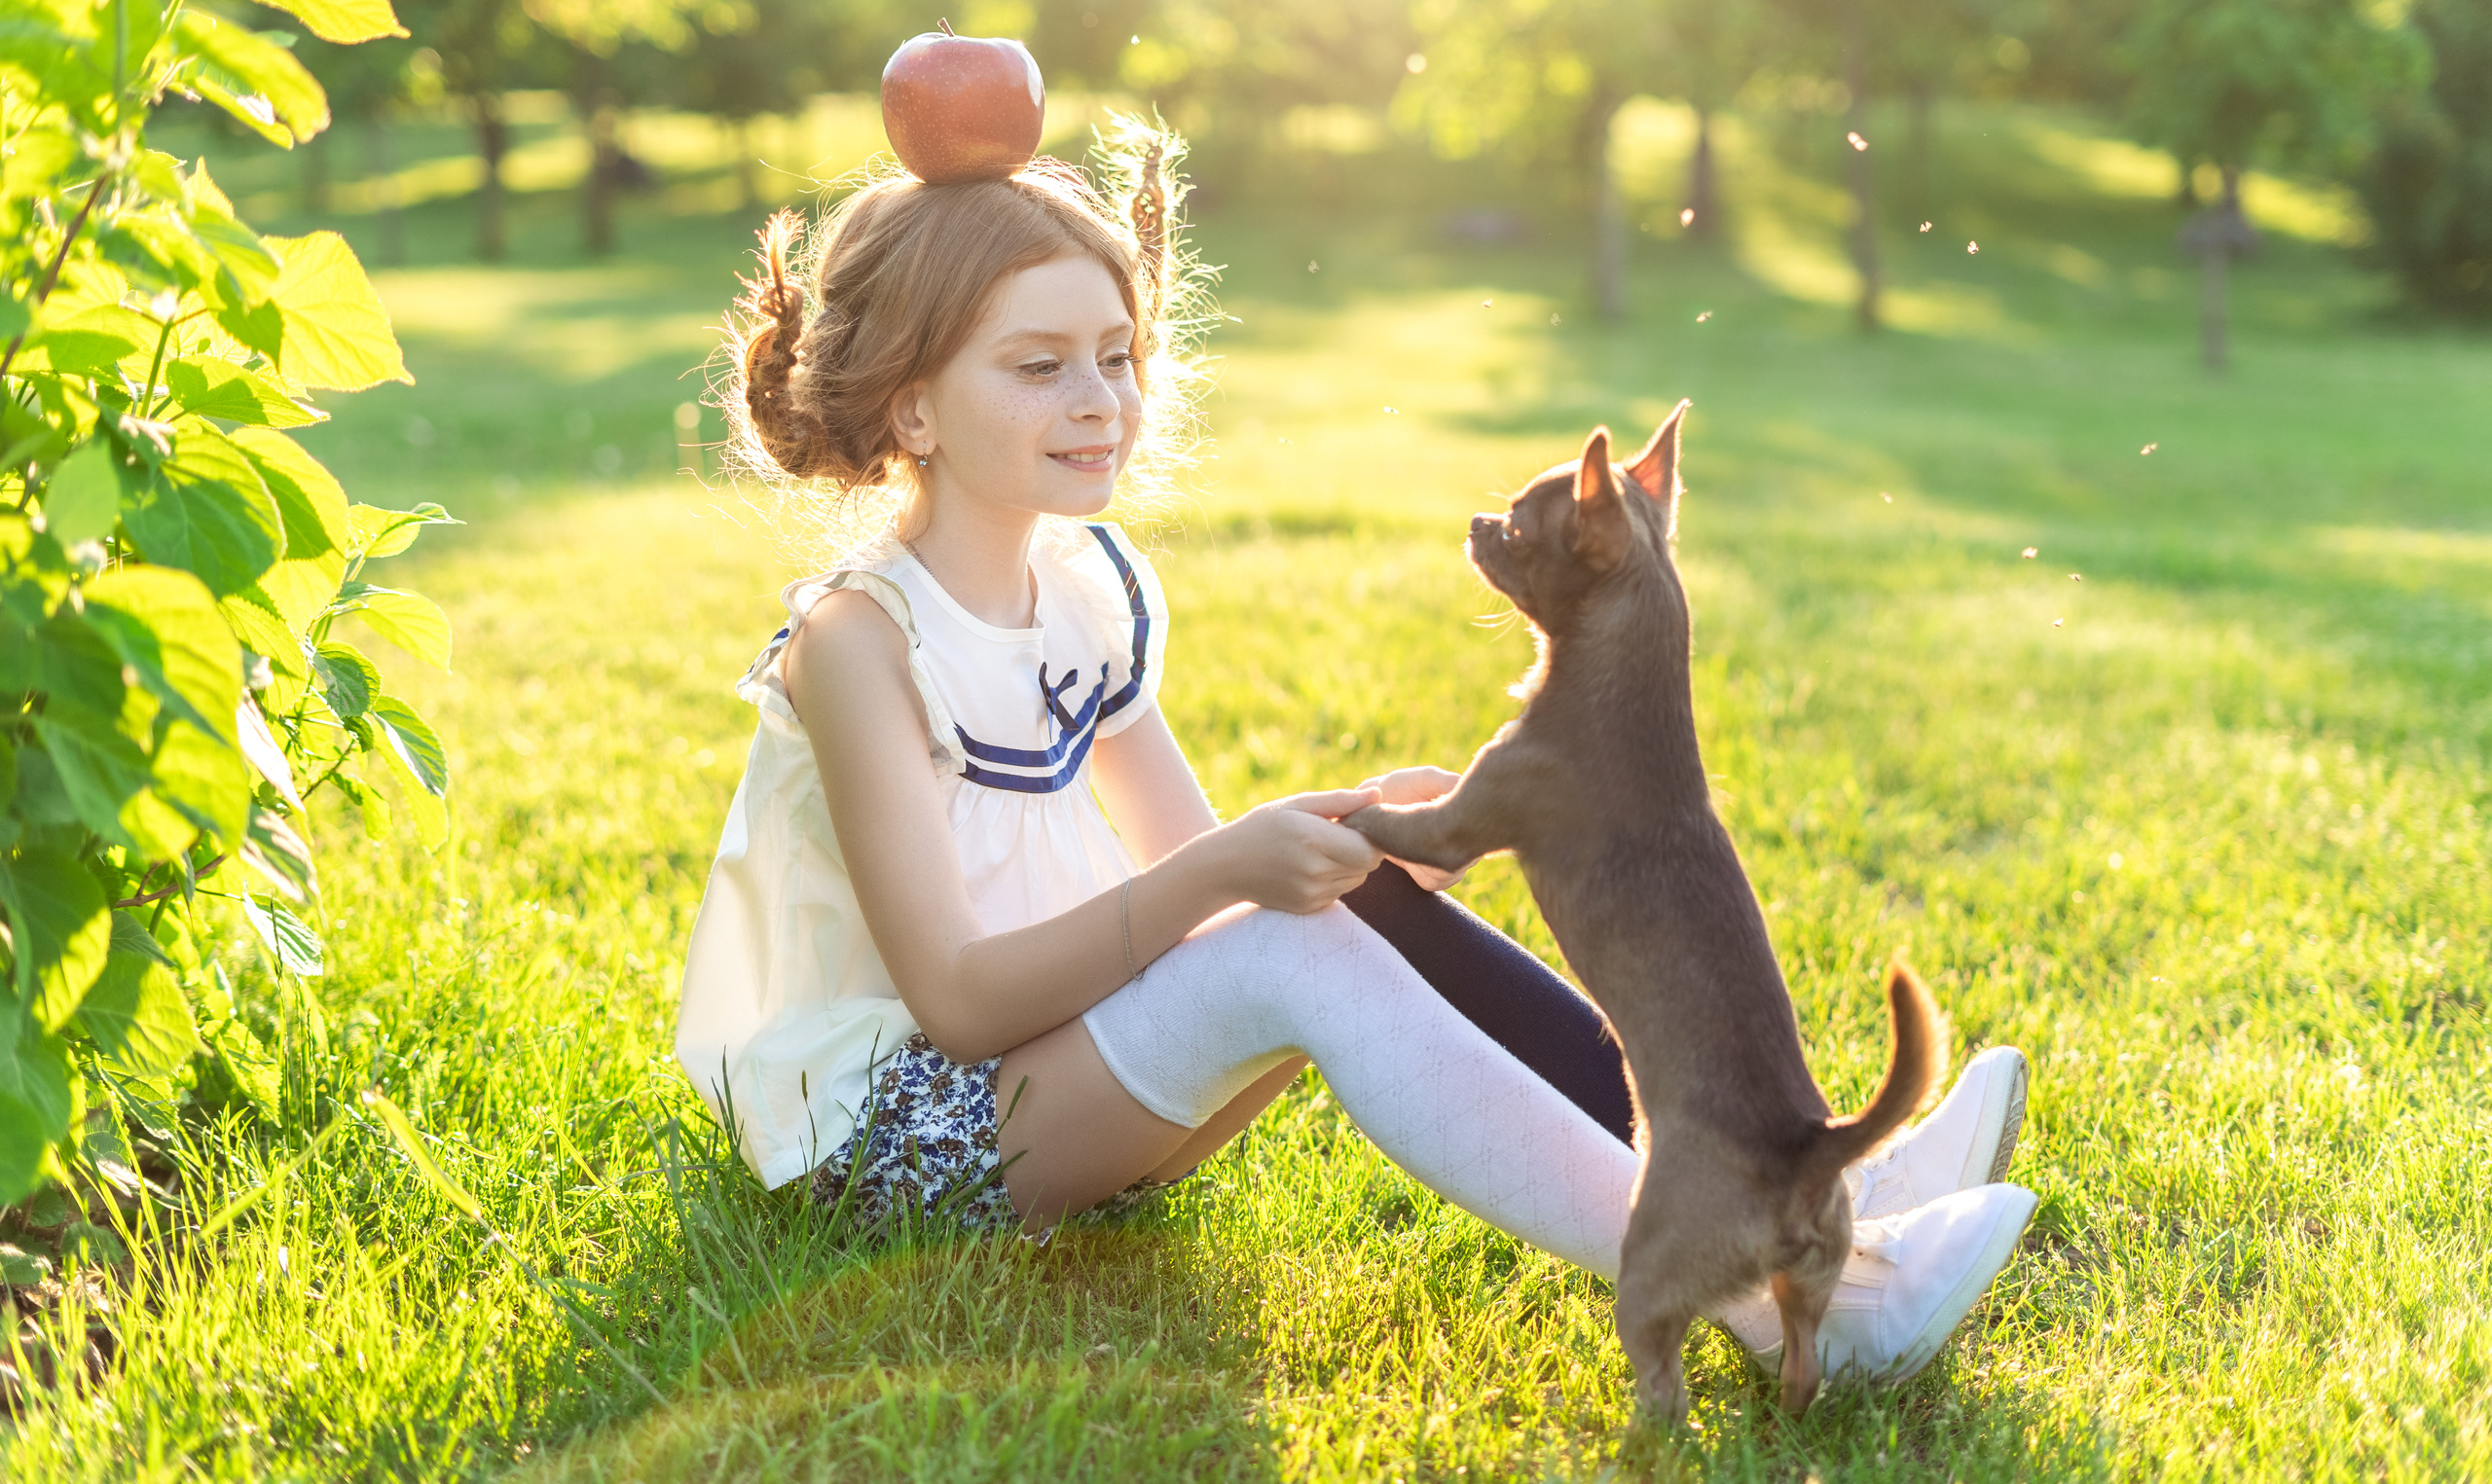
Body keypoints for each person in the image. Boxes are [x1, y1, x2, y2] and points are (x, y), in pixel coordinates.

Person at [674, 121, 2035, 1389]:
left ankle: (1800, 1191)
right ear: (911, 411)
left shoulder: (1088, 586)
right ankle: (1796, 1303)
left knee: (1335, 894)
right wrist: (1245, 866)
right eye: (1038, 366)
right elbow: (965, 1003)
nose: (1100, 401)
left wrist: (1333, 836)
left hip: (1048, 1076)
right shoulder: (860, 642)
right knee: (1290, 937)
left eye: (1117, 356)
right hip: (904, 1139)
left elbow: (1180, 862)